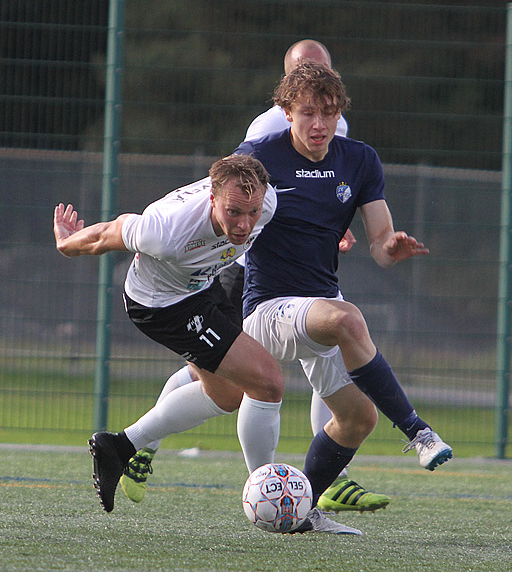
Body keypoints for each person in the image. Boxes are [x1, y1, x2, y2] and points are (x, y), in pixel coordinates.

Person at [120, 40, 391, 515]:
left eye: (323, 71)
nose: (316, 85)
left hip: (304, 276)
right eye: (304, 73)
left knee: (326, 360)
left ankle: (332, 477)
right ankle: (147, 445)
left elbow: (327, 190)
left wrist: (333, 226)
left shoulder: (335, 124)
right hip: (247, 274)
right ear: (286, 94)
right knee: (217, 373)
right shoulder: (268, 130)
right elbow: (237, 193)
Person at [235, 62, 453, 521]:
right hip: (267, 309)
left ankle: (298, 510)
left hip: (319, 307)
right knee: (346, 318)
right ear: (286, 111)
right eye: (309, 113)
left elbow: (379, 242)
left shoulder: (360, 159)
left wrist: (391, 247)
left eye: (330, 113)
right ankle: (418, 431)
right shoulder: (258, 157)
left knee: (358, 419)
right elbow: (225, 213)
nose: (320, 125)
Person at [54, 155, 285, 515]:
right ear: (212, 198)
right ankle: (269, 494)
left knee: (228, 395)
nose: (244, 225)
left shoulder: (266, 203)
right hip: (160, 306)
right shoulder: (165, 231)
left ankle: (121, 446)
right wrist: (66, 244)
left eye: (252, 212)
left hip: (201, 288)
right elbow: (104, 235)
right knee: (267, 381)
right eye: (234, 212)